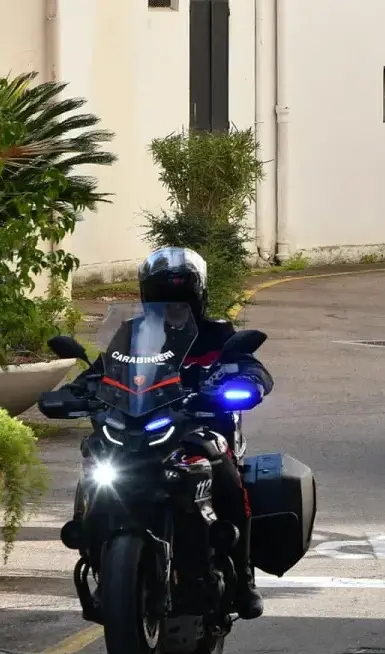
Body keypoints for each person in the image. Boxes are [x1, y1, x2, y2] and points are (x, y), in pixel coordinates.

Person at [65, 247, 273, 620]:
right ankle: (95, 553)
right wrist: (77, 390)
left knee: (225, 470)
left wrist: (248, 382)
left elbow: (249, 366)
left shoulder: (218, 335)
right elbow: (101, 372)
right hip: (136, 427)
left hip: (200, 427)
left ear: (198, 298)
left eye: (181, 300)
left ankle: (242, 578)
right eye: (163, 300)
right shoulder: (131, 334)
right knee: (96, 462)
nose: (172, 308)